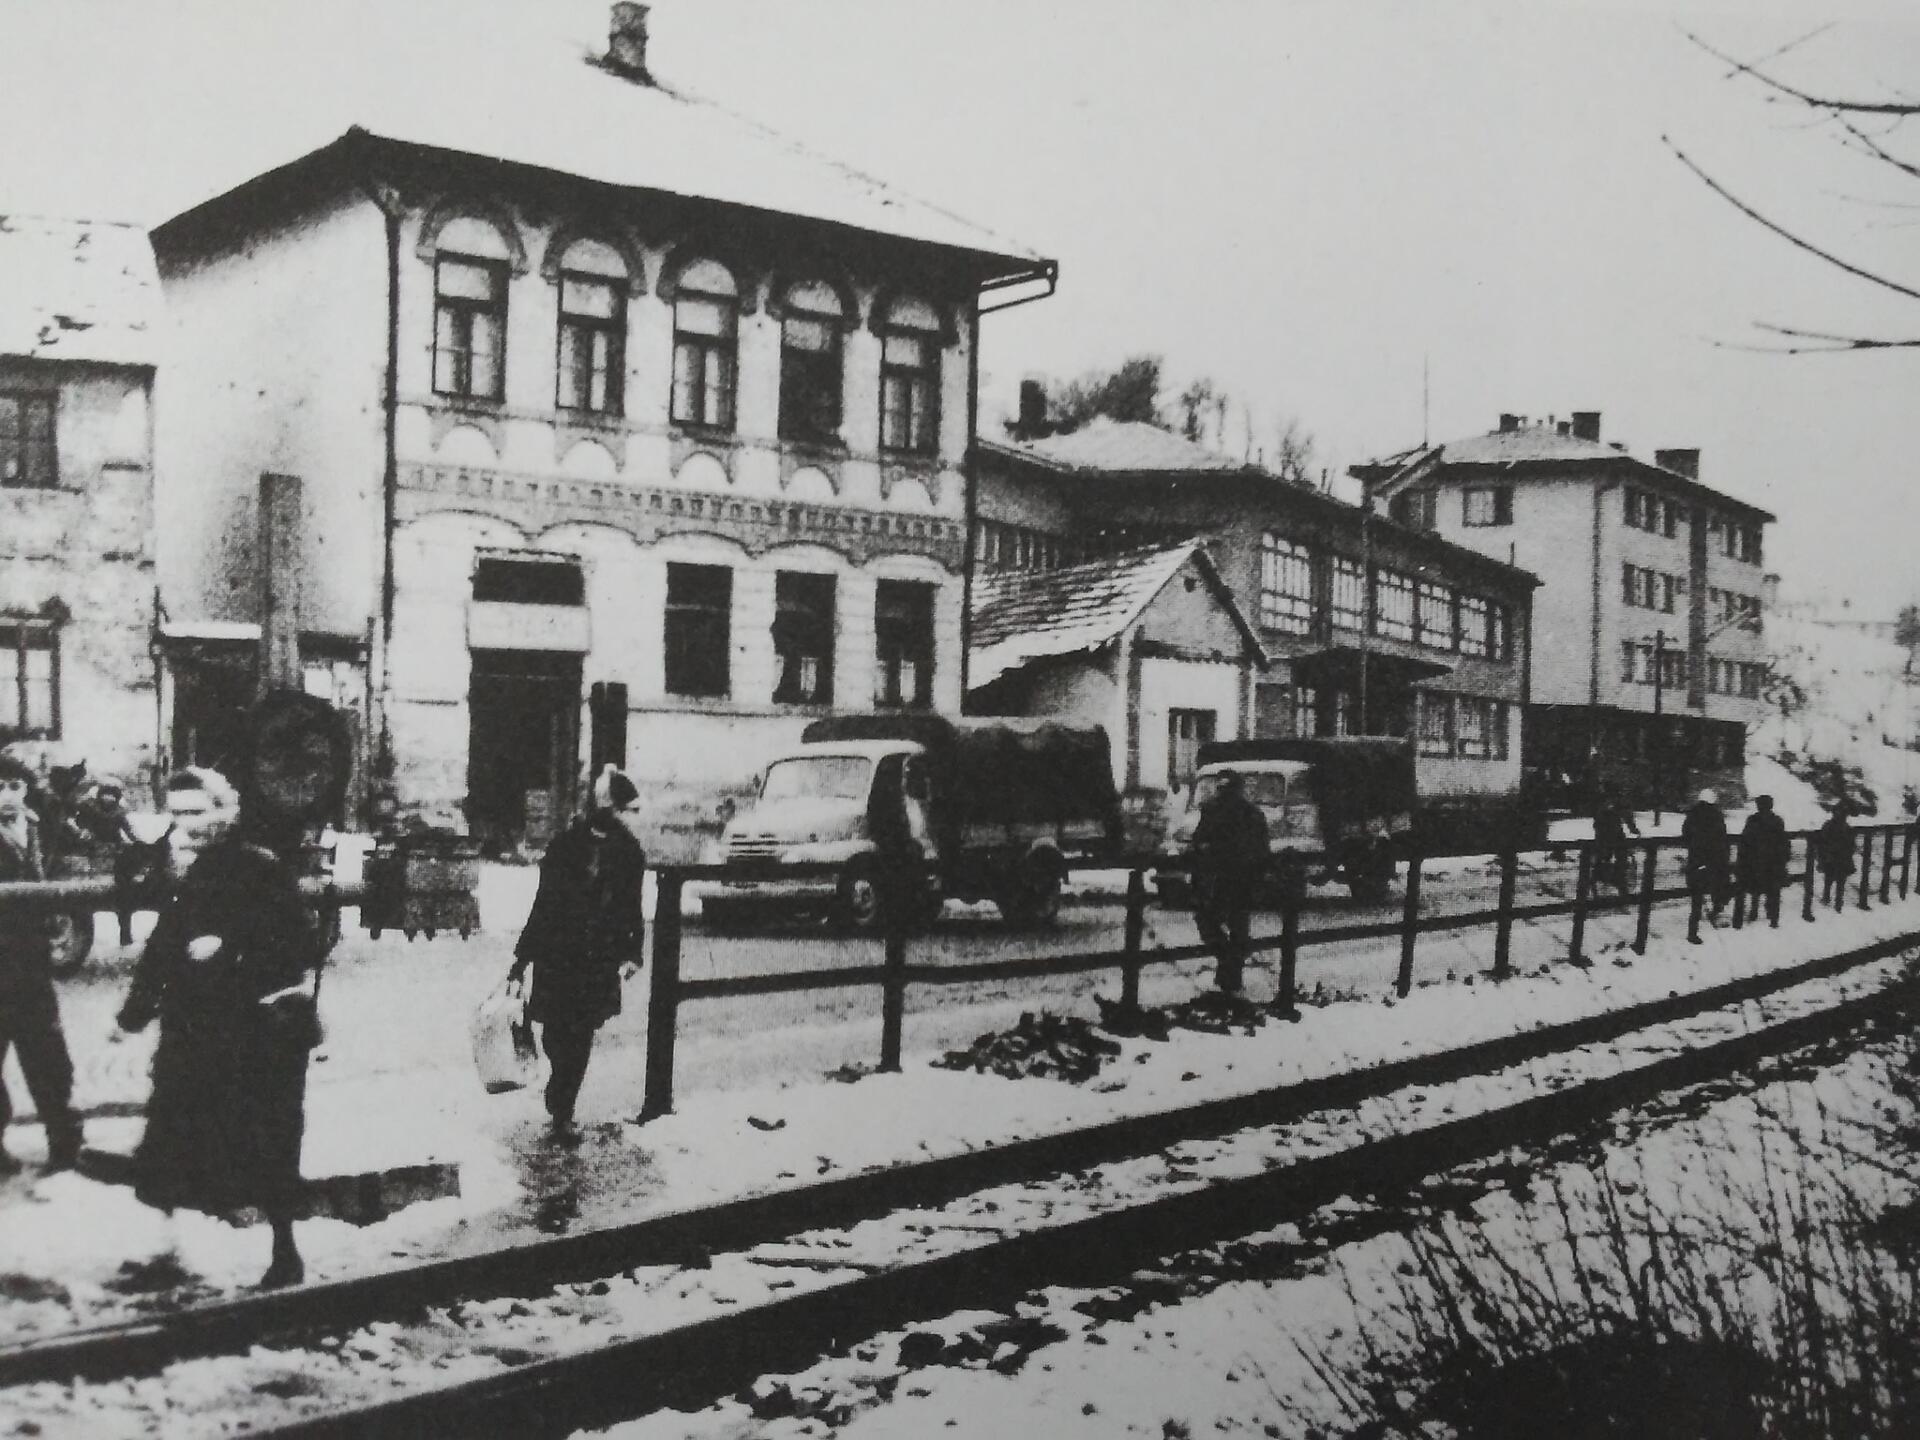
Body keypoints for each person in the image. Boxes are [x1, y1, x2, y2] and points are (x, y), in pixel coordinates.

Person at [117, 767, 323, 1288]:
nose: (189, 823)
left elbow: (298, 946)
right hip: (193, 1030)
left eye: (199, 810)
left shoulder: (258, 866)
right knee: (168, 1140)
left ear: (225, 810)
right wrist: (132, 1015)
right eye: (179, 812)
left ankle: (285, 1256)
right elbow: (164, 946)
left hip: (251, 1032)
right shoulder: (181, 864)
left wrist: (228, 951)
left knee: (262, 1142)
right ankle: (165, 1253)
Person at [509, 765, 647, 1141]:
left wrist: (634, 951)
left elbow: (632, 906)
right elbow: (544, 904)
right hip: (559, 953)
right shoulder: (566, 846)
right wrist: (521, 959)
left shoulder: (629, 852)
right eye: (623, 808)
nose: (628, 817)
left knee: (581, 1032)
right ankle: (560, 1089)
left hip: (597, 958)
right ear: (607, 807)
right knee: (554, 1034)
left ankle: (563, 1108)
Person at [0, 756, 84, 1174]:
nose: (6, 795)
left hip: (30, 964)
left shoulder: (38, 825)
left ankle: (65, 1146)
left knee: (47, 1057)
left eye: (14, 785)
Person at [1189, 771, 1271, 994]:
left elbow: (1261, 850)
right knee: (1224, 927)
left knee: (1226, 927)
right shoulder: (1218, 811)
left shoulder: (1247, 814)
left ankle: (1229, 974)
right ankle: (1229, 970)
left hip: (1230, 880)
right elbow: (1198, 841)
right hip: (1225, 880)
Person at [1681, 788, 1730, 944]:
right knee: (1716, 887)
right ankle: (1717, 913)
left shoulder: (1692, 814)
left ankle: (1692, 932)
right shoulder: (1717, 816)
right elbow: (1722, 837)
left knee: (1696, 897)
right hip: (1713, 860)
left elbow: (1685, 835)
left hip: (1696, 859)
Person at [1735, 794, 1790, 929]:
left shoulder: (1752, 820)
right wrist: (1783, 860)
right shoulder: (1777, 821)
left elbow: (1744, 842)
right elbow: (1784, 843)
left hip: (1755, 863)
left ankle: (1754, 913)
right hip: (1773, 864)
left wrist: (1742, 861)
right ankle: (1773, 918)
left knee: (1755, 888)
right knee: (1774, 891)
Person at [1591, 794, 1640, 894]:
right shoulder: (1615, 799)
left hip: (1609, 830)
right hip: (1607, 831)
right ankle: (1610, 879)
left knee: (1614, 855)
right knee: (1609, 855)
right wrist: (1633, 828)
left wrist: (1632, 828)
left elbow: (1626, 814)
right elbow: (1626, 814)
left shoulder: (1608, 799)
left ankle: (1614, 878)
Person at [1815, 805, 1857, 910]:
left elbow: (1821, 843)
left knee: (1829, 880)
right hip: (1842, 859)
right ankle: (1838, 902)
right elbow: (1852, 845)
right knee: (1840, 882)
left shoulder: (1828, 826)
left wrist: (1822, 858)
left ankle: (1827, 899)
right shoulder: (1847, 827)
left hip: (1831, 859)